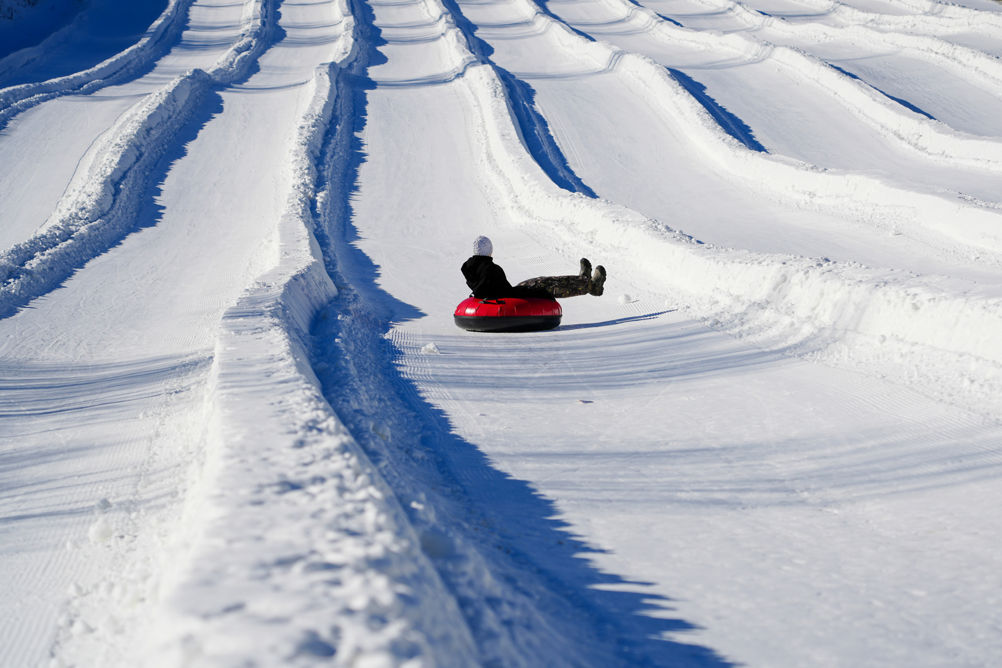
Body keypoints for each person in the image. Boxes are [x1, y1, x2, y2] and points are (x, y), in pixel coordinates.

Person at [461, 235, 606, 299]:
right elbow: (500, 291)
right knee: (550, 284)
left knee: (539, 281)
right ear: (490, 251)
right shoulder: (491, 269)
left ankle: (583, 279)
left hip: (508, 294)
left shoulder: (471, 268)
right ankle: (592, 286)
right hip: (511, 298)